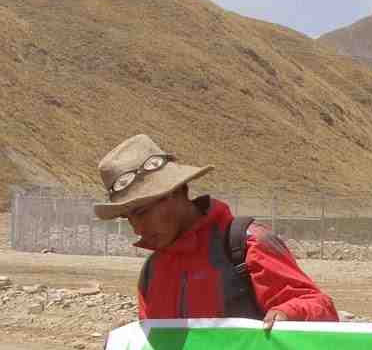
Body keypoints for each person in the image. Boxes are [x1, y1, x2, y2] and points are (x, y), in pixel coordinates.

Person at [92, 134, 336, 325]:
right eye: (128, 217)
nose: (136, 227)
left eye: (142, 212)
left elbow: (322, 310)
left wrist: (289, 313)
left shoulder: (246, 246)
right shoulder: (152, 272)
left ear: (175, 191)